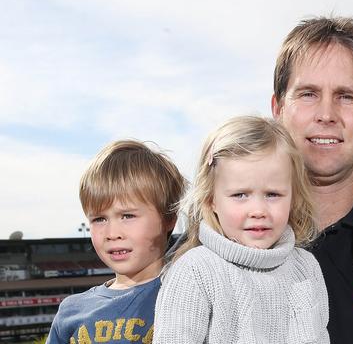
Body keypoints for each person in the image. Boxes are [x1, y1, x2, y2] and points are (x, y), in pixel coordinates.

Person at [153, 116, 329, 343]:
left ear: (293, 198)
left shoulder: (306, 267)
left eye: (273, 194)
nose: (258, 210)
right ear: (210, 201)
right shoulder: (195, 271)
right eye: (240, 195)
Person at [271, 17, 353, 343]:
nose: (326, 113)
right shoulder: (224, 241)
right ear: (278, 107)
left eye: (346, 96)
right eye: (308, 94)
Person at [47, 140, 186, 343]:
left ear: (168, 218)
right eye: (99, 219)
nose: (112, 233)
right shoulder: (71, 310)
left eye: (127, 216)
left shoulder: (187, 296)